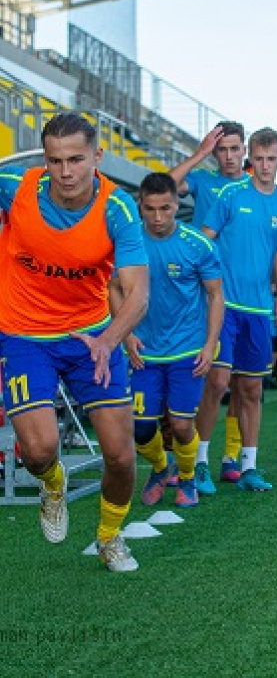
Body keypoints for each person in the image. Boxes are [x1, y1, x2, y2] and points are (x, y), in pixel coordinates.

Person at [0, 112, 149, 571]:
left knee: (122, 457)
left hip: (91, 339)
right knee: (40, 451)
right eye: (55, 161)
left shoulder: (117, 208)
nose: (65, 172)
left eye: (76, 160)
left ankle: (109, 537)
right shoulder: (15, 187)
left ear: (97, 157)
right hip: (25, 335)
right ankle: (53, 483)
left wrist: (109, 340)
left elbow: (138, 292)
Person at [110, 173, 224, 509]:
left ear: (178, 205)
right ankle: (161, 469)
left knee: (181, 424)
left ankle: (187, 476)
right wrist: (125, 334)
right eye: (150, 209)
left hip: (187, 349)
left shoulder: (198, 244)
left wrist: (209, 344)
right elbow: (113, 287)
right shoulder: (129, 243)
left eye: (165, 208)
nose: (158, 218)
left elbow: (216, 295)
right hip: (144, 351)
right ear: (140, 206)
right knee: (142, 428)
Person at [196, 126, 277, 493]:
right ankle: (199, 464)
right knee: (218, 382)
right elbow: (203, 240)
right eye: (259, 159)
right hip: (224, 306)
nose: (266, 165)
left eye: (272, 159)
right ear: (249, 159)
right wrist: (207, 288)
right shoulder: (229, 195)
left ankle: (249, 466)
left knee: (252, 389)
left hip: (258, 311)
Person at [170, 120, 248, 481]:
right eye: (222, 149)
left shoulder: (255, 188)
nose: (229, 156)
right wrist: (198, 154)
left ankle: (231, 457)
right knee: (210, 381)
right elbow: (164, 188)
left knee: (243, 383)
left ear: (244, 150)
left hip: (249, 301)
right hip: (203, 298)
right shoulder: (202, 182)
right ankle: (194, 458)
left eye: (235, 149)